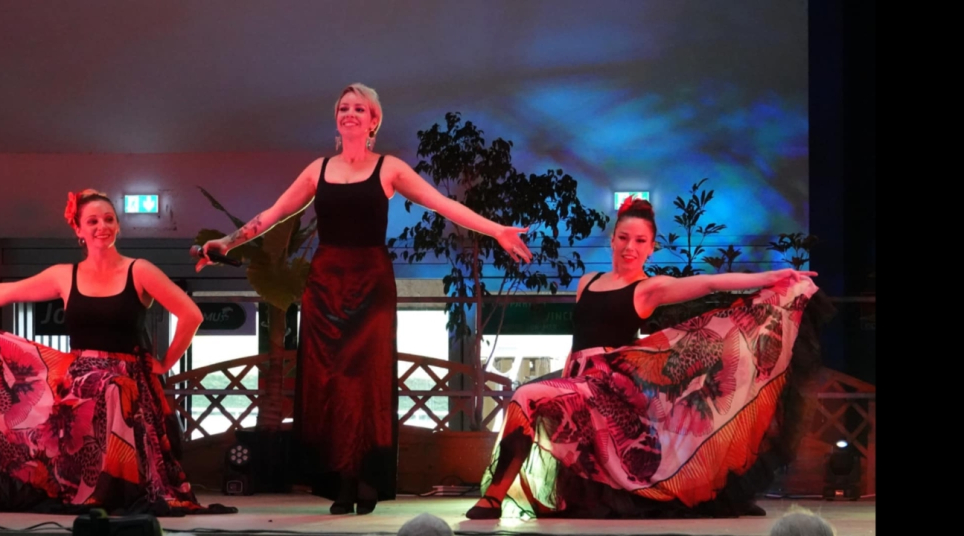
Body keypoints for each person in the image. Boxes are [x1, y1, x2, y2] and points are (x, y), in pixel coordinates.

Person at [195, 83, 533, 515]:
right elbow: (272, 215)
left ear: (374, 121)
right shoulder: (317, 170)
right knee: (331, 381)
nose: (350, 113)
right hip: (325, 283)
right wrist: (226, 241)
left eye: (359, 108)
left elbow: (442, 205)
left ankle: (368, 477)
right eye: (344, 107)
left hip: (371, 282)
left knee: (367, 380)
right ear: (336, 118)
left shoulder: (389, 168)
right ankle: (341, 480)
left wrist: (497, 230)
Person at [465, 197, 833, 520]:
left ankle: (493, 497)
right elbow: (579, 340)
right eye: (624, 238)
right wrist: (567, 372)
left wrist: (770, 276)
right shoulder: (587, 281)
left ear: (651, 248)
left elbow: (709, 283)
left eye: (640, 241)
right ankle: (504, 495)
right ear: (612, 240)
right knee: (530, 401)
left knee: (526, 396)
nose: (630, 247)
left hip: (608, 388)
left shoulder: (648, 288)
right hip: (577, 379)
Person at [0, 189, 237, 517]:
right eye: (92, 221)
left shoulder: (139, 270)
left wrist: (166, 362)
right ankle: (87, 488)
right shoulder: (65, 275)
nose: (102, 226)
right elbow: (8, 291)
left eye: (108, 219)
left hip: (125, 383)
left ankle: (116, 489)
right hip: (79, 381)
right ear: (79, 230)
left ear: (118, 226)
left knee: (113, 388)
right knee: (44, 401)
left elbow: (191, 315)